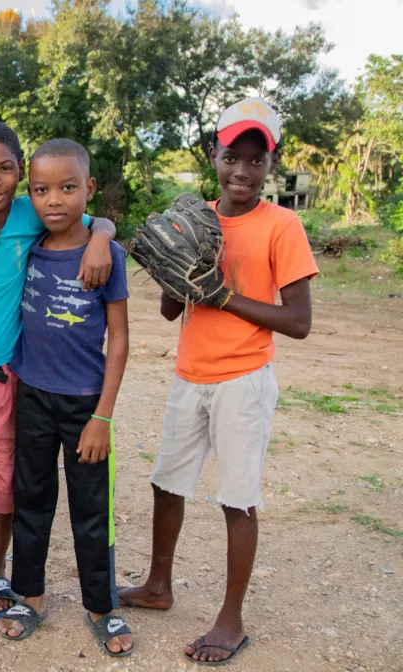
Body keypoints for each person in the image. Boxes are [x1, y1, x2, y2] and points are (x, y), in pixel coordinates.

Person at [117, 98, 318, 666]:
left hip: (244, 382)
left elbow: (299, 322)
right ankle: (159, 586)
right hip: (190, 375)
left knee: (237, 501)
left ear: (271, 165)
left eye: (256, 161)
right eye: (232, 156)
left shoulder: (282, 225)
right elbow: (168, 311)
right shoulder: (194, 215)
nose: (242, 172)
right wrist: (174, 270)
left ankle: (230, 620)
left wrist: (224, 294)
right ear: (214, 155)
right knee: (167, 484)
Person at [0, 121, 117, 629]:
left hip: (12, 378)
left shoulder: (31, 213)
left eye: (5, 170)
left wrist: (103, 235)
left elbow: (91, 217)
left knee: (8, 483)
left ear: (20, 175)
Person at [0, 139, 131, 656]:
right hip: (32, 396)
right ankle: (30, 594)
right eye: (42, 189)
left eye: (69, 188)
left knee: (92, 508)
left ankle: (102, 605)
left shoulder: (105, 253)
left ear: (88, 190)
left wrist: (103, 416)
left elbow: (119, 337)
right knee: (32, 500)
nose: (55, 200)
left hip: (84, 404)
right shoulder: (29, 246)